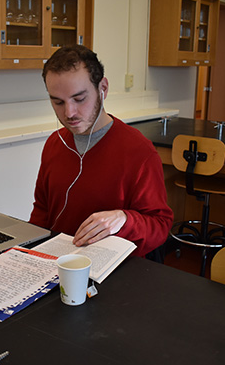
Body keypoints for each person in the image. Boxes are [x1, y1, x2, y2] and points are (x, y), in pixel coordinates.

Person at [29, 45, 173, 258]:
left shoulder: (139, 152)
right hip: (58, 263)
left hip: (111, 270)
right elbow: (42, 211)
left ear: (102, 88)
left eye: (79, 99)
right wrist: (28, 251)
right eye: (58, 102)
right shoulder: (54, 144)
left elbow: (159, 226)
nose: (69, 113)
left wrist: (124, 219)